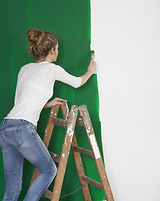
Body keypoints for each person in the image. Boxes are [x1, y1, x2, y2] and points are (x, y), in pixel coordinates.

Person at [0, 28, 96, 201]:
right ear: (52, 50)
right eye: (57, 48)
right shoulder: (52, 69)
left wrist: (45, 104)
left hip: (6, 127)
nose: (58, 52)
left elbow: (20, 102)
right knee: (49, 170)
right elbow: (77, 83)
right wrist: (90, 71)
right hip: (22, 128)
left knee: (12, 188)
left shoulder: (24, 69)